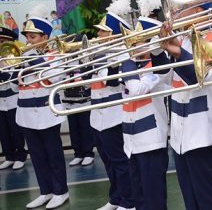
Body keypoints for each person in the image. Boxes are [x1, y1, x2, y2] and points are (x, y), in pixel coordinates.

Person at [158, 0, 212, 210]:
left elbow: (206, 77)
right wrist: (159, 50)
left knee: (207, 196)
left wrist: (178, 52)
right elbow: (164, 79)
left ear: (197, 8)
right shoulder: (183, 38)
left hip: (201, 131)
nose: (173, 15)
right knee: (190, 198)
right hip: (179, 131)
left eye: (179, 9)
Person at [17, 16, 69, 209]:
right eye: (28, 37)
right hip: (26, 113)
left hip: (47, 113)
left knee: (53, 155)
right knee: (37, 156)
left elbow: (55, 79)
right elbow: (15, 85)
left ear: (45, 37)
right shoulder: (21, 57)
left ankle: (60, 191)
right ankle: (45, 191)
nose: (28, 41)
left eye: (33, 37)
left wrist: (36, 60)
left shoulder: (55, 55)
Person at [120, 16, 169, 210]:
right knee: (139, 198)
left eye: (138, 40)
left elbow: (136, 89)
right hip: (131, 141)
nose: (132, 44)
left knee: (153, 200)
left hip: (151, 141)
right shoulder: (133, 66)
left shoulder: (158, 67)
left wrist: (126, 63)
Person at [89, 11, 134, 210]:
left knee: (119, 161)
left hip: (114, 115)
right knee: (107, 160)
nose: (98, 36)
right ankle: (115, 198)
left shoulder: (122, 53)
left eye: (103, 33)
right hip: (97, 115)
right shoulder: (99, 53)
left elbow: (112, 79)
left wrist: (97, 59)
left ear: (115, 34)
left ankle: (128, 201)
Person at [62, 35, 95, 167]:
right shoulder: (66, 60)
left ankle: (88, 153)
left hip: (84, 100)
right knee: (74, 129)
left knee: (85, 128)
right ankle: (78, 153)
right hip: (70, 101)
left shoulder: (84, 59)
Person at [0, 27, 27, 171]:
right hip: (0, 102)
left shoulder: (16, 57)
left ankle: (20, 156)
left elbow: (14, 78)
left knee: (16, 131)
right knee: (3, 132)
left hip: (12, 99)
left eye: (3, 41)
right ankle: (9, 157)